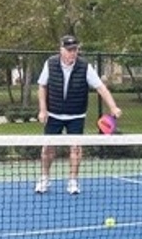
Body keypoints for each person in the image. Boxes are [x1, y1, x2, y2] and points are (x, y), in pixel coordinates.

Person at [35, 34, 122, 194]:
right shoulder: (50, 63)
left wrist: (113, 107)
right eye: (69, 50)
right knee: (48, 148)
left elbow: (101, 88)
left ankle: (73, 181)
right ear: (61, 50)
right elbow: (42, 86)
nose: (72, 53)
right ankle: (44, 178)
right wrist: (43, 109)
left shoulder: (85, 67)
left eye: (74, 49)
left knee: (75, 148)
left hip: (76, 115)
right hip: (53, 114)